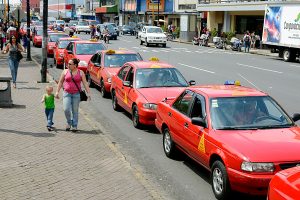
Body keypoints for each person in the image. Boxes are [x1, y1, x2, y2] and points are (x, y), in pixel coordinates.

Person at [55, 58, 91, 132]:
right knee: (66, 109)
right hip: (67, 93)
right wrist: (57, 92)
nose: (68, 65)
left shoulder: (80, 72)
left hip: (76, 94)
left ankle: (74, 126)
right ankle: (69, 122)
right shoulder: (65, 71)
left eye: (70, 64)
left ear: (75, 65)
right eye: (68, 64)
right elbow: (61, 82)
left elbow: (85, 83)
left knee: (75, 110)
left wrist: (88, 93)